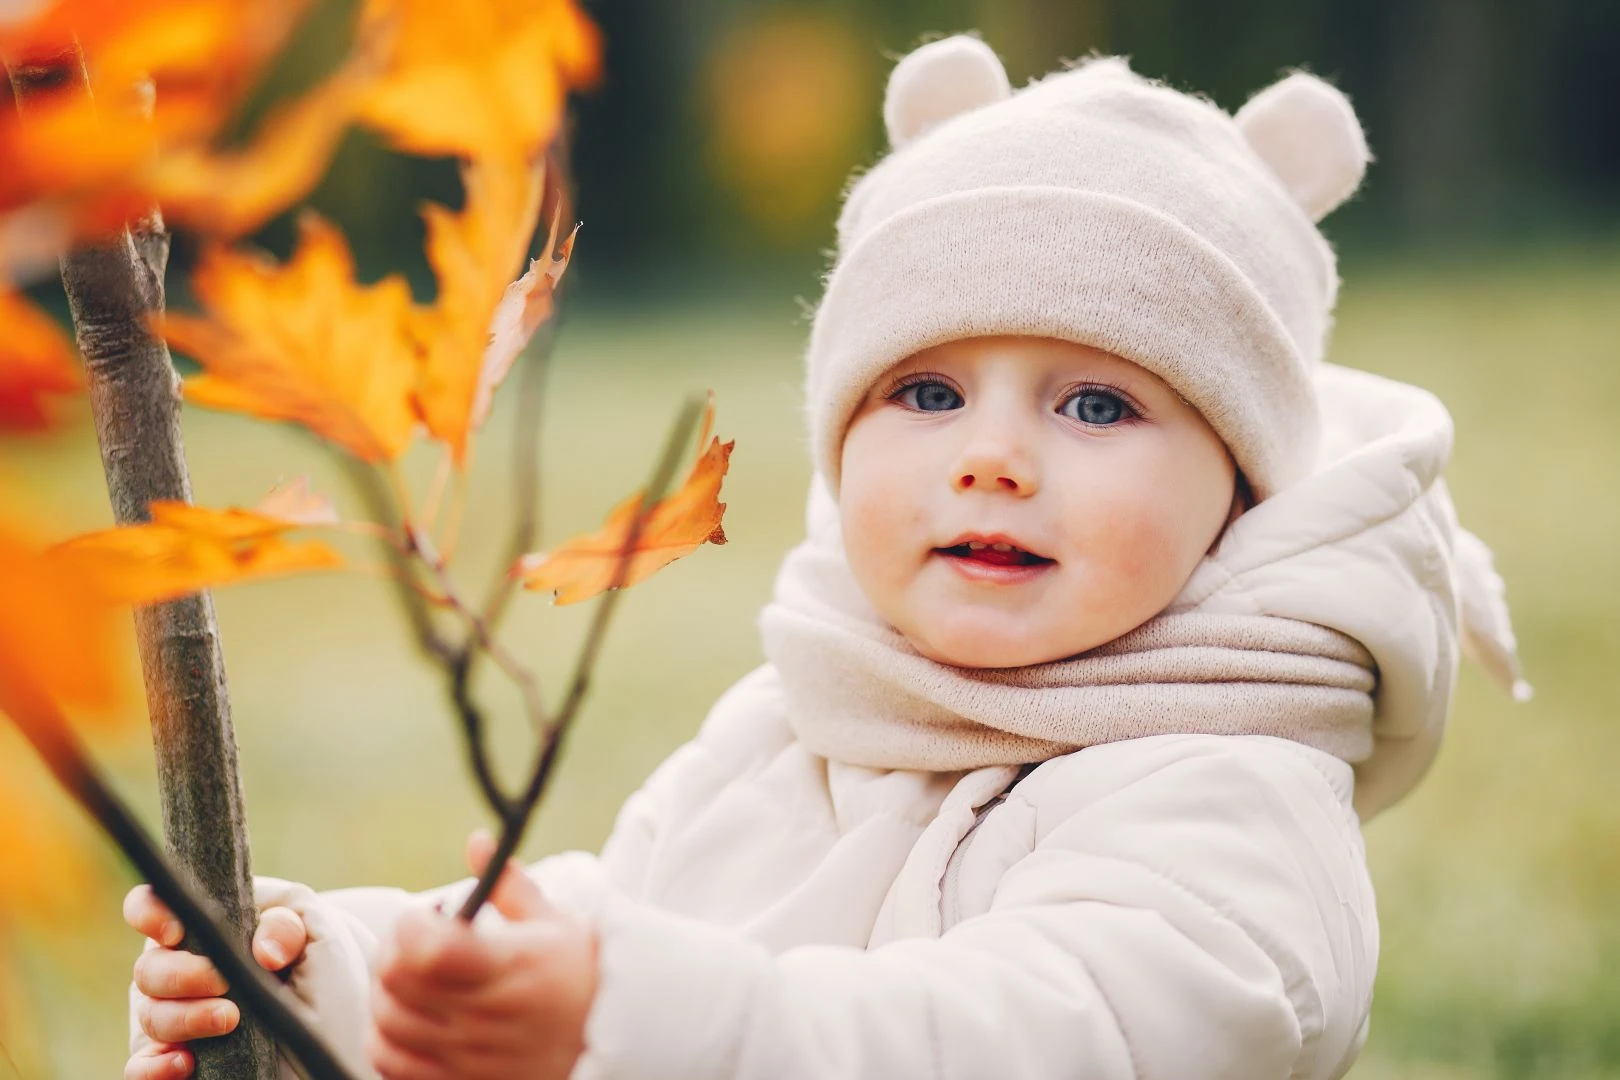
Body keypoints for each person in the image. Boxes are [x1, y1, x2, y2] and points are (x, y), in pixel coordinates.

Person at [122, 36, 1530, 1080]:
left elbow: (1009, 1041)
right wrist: (333, 980)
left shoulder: (1235, 801)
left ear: (1241, 481)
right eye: (925, 393)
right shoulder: (805, 718)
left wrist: (620, 1012)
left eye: (1098, 403)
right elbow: (615, 919)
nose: (994, 457)